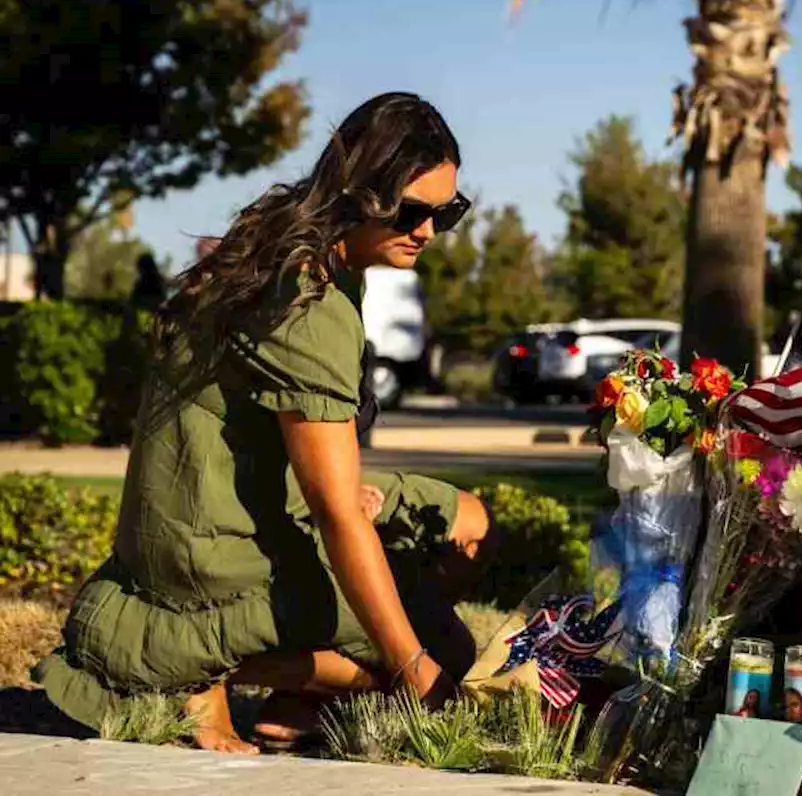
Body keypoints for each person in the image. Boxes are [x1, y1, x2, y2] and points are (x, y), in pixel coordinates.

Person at [34, 92, 491, 755]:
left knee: (468, 523)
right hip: (215, 551)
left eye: (446, 212)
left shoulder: (275, 241)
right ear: (359, 193)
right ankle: (198, 666)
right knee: (442, 648)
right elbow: (335, 512)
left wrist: (346, 503)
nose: (426, 230)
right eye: (410, 211)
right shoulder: (309, 301)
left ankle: (298, 696)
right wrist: (413, 673)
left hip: (206, 512)